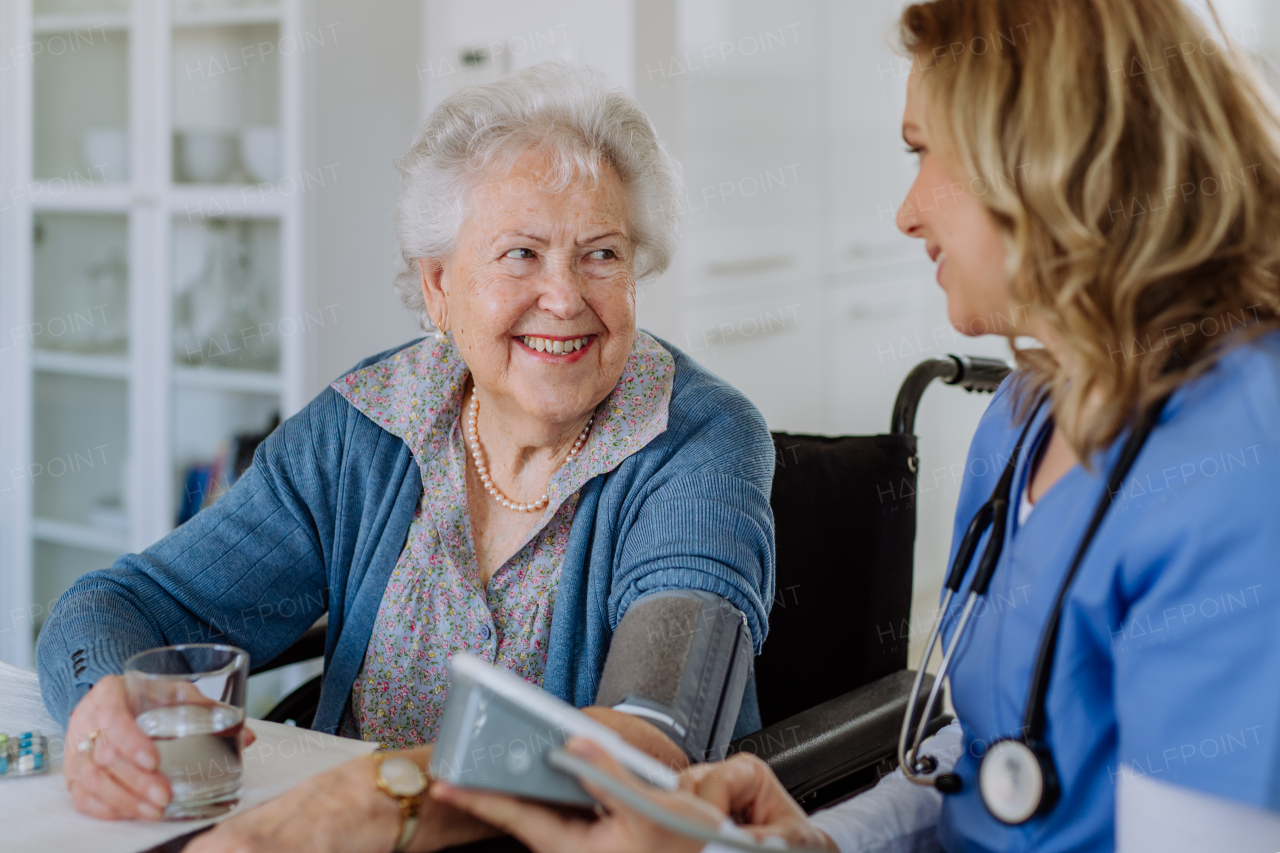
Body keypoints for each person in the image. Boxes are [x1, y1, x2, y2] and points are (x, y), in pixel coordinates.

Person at [432, 0, 1280, 850]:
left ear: (1052, 156)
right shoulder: (1028, 415)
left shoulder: (1238, 468)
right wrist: (816, 840)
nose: (907, 212)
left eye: (925, 152)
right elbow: (987, 752)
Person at [37, 62, 777, 851]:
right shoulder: (366, 425)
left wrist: (374, 800)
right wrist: (104, 707)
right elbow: (116, 604)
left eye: (601, 254)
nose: (564, 297)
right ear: (437, 286)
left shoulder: (700, 442)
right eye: (521, 254)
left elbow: (652, 738)